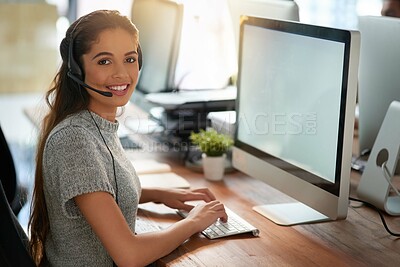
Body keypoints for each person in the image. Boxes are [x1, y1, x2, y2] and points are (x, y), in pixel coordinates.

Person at [28, 10, 227, 267]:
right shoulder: (74, 140)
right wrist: (194, 222)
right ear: (77, 69)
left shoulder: (96, 124)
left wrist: (157, 194)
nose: (122, 74)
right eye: (104, 61)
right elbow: (129, 255)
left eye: (129, 59)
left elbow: (96, 191)